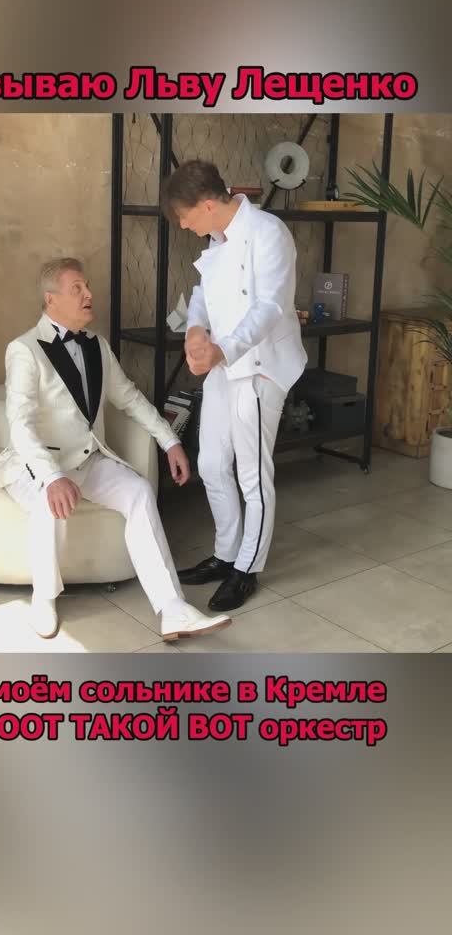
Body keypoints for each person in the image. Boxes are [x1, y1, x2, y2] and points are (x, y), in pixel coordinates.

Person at [0, 256, 232, 641]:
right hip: (36, 464)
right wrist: (52, 477)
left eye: (87, 286)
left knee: (139, 492)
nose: (89, 294)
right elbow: (20, 423)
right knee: (48, 505)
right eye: (77, 288)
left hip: (88, 459)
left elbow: (130, 398)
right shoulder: (24, 349)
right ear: (51, 299)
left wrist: (169, 441)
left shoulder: (97, 345)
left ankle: (173, 609)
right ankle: (44, 598)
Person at [160, 160, 307, 611]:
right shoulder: (218, 237)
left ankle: (247, 568)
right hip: (225, 365)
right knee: (210, 463)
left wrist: (222, 350)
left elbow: (270, 308)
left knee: (252, 475)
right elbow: (202, 293)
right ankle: (226, 555)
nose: (183, 225)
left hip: (261, 366)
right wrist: (195, 330)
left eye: (184, 215)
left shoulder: (268, 232)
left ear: (207, 204)